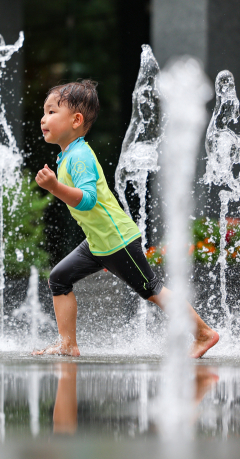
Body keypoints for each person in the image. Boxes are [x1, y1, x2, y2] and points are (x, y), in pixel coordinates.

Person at [32, 80, 219, 358]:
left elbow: (87, 199)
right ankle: (67, 345)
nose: (43, 119)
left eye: (51, 112)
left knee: (152, 289)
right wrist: (56, 185)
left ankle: (204, 333)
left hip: (117, 240)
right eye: (44, 112)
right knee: (59, 278)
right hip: (98, 242)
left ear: (76, 120)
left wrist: (55, 187)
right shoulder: (67, 156)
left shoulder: (79, 156)